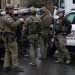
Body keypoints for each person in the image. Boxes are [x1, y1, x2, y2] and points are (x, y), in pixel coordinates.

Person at [0, 4, 24, 72]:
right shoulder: (7, 17)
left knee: (7, 52)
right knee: (14, 51)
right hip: (10, 37)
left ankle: (6, 66)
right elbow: (13, 25)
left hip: (6, 36)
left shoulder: (4, 17)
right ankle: (15, 66)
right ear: (9, 10)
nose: (13, 11)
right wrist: (19, 21)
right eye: (12, 9)